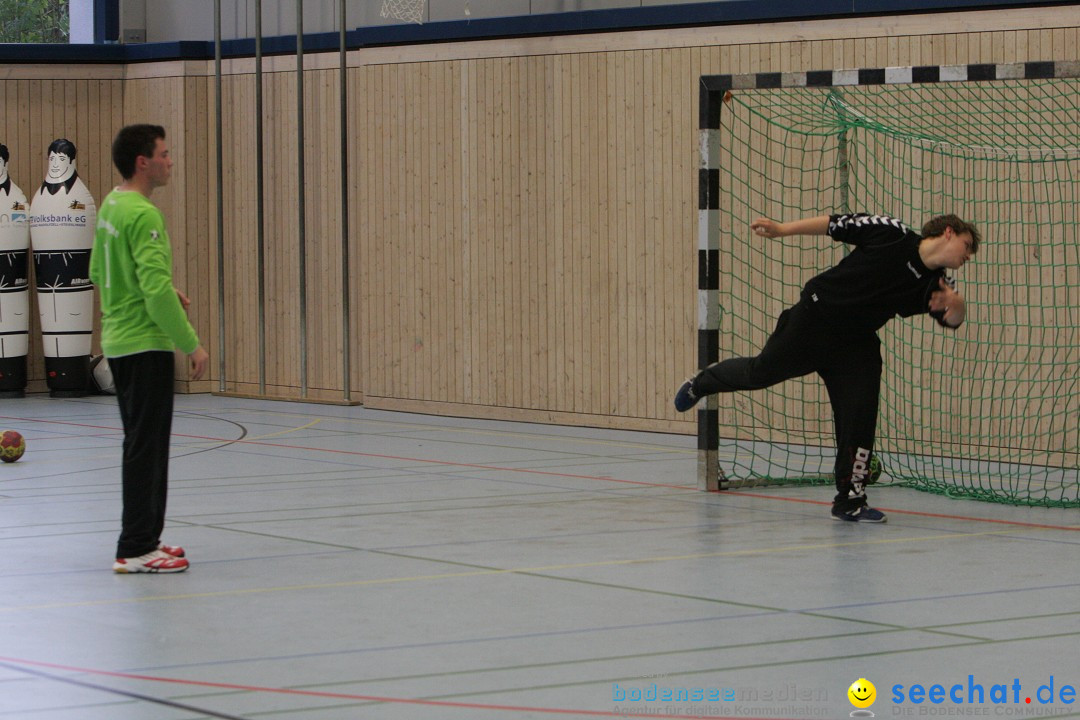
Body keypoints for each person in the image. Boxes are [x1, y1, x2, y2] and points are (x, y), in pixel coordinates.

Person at [675, 212, 980, 522]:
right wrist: (782, 230)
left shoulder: (941, 283)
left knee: (860, 416)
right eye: (967, 246)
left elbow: (952, 318)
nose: (968, 256)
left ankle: (850, 500)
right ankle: (701, 382)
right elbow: (833, 224)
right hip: (815, 319)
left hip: (856, 343)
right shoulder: (892, 232)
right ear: (948, 232)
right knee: (759, 373)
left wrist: (959, 308)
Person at [89, 124, 209, 572]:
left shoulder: (111, 205)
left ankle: (147, 538)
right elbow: (154, 291)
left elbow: (101, 272)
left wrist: (156, 291)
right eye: (165, 153)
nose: (170, 160)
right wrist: (190, 343)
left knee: (144, 443)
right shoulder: (142, 214)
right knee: (147, 447)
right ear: (144, 162)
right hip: (144, 345)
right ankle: (136, 547)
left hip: (119, 341)